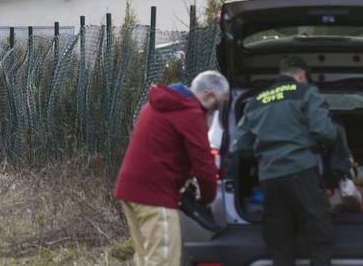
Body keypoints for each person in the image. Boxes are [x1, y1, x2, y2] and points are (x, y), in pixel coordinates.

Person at [114, 70, 230, 266]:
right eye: (217, 105)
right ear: (208, 95)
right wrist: (207, 199)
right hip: (155, 197)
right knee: (164, 260)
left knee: (146, 259)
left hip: (129, 192)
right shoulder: (190, 113)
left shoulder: (157, 104)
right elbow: (204, 164)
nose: (213, 111)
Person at [233, 56, 336, 266]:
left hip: (269, 176)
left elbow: (241, 145)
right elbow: (325, 132)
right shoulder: (306, 92)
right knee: (318, 229)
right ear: (300, 75)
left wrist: (264, 157)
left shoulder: (256, 101)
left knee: (279, 238)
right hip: (301, 171)